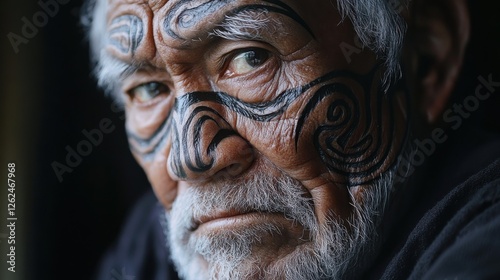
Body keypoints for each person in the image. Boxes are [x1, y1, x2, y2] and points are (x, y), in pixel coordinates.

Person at [82, 0, 500, 279]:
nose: (192, 158)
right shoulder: (151, 241)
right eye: (150, 90)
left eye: (251, 57)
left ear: (425, 56)